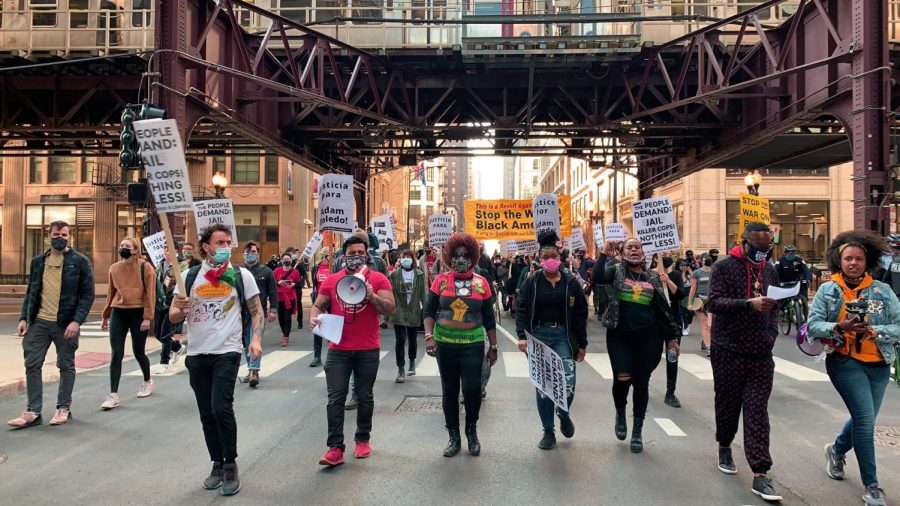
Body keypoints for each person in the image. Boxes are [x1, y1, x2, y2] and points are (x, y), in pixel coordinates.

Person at [807, 231, 900, 506]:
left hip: (879, 364)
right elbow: (813, 325)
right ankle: (872, 485)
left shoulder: (882, 291)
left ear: (866, 261)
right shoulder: (829, 289)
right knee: (866, 421)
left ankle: (836, 450)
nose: (853, 263)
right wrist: (838, 326)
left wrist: (874, 330)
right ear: (839, 260)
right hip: (845, 362)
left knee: (864, 418)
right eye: (848, 258)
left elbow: (897, 326)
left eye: (859, 259)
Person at [169, 224, 263, 496]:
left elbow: (256, 310)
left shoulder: (240, 275)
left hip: (228, 351)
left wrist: (255, 339)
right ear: (206, 247)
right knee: (207, 413)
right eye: (220, 242)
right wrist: (179, 308)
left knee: (221, 408)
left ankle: (231, 463)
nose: (225, 247)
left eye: (228, 242)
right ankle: (217, 463)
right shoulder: (188, 276)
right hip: (197, 353)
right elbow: (174, 316)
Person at [706, 221, 782, 502]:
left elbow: (775, 306)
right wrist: (747, 303)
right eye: (757, 247)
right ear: (744, 242)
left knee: (756, 410)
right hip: (728, 349)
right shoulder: (724, 267)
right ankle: (724, 444)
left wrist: (772, 332)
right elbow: (713, 302)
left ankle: (761, 473)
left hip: (761, 353)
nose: (762, 252)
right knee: (727, 404)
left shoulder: (769, 270)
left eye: (767, 248)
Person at [311, 235, 395, 467]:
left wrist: (372, 296)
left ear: (366, 255)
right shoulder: (333, 280)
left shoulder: (378, 279)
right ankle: (335, 448)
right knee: (335, 397)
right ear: (343, 256)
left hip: (368, 348)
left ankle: (362, 440)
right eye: (351, 254)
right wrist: (314, 318)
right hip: (339, 349)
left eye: (360, 253)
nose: (355, 257)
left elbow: (390, 309)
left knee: (364, 395)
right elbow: (319, 304)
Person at [593, 238, 680, 453]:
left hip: (649, 338)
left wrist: (672, 338)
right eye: (629, 247)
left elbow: (663, 309)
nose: (634, 250)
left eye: (637, 247)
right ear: (622, 253)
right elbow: (597, 278)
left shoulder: (652, 277)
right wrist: (604, 252)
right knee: (622, 378)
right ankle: (620, 411)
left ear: (643, 252)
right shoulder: (615, 271)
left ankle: (637, 431)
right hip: (620, 336)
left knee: (641, 383)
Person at [8, 221, 95, 429]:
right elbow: (31, 291)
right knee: (32, 364)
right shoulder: (38, 261)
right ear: (49, 235)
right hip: (38, 322)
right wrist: (23, 318)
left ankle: (63, 407)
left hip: (65, 323)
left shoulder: (80, 262)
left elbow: (88, 294)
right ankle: (33, 411)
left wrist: (76, 321)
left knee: (65, 365)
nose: (61, 238)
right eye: (57, 234)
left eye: (64, 235)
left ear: (69, 237)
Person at [423, 232, 498, 457]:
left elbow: (488, 317)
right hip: (445, 345)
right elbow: (428, 311)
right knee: (450, 391)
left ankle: (472, 432)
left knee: (472, 390)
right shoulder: (441, 280)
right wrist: (429, 337)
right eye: (456, 255)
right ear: (449, 256)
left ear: (473, 257)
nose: (461, 258)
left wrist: (493, 347)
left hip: (472, 344)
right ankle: (453, 437)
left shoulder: (482, 282)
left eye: (465, 255)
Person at [515, 230, 588, 450]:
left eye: (553, 257)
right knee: (543, 386)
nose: (550, 260)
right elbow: (522, 309)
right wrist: (522, 336)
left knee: (568, 382)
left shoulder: (571, 282)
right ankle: (548, 431)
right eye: (545, 257)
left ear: (560, 257)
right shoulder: (532, 281)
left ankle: (563, 412)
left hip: (563, 337)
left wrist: (582, 343)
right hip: (538, 336)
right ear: (539, 259)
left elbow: (581, 313)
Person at [100, 237, 156, 410]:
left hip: (138, 312)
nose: (123, 248)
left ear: (135, 249)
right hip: (119, 311)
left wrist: (147, 317)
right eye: (122, 245)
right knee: (116, 353)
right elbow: (111, 292)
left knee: (139, 351)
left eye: (127, 246)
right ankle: (113, 394)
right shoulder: (114, 268)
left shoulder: (145, 267)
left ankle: (147, 381)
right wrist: (105, 315)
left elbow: (150, 293)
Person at [239, 241, 278, 387]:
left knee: (255, 339)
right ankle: (250, 368)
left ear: (258, 254)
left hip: (258, 312)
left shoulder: (266, 271)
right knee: (244, 343)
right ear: (243, 254)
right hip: (241, 313)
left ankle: (255, 370)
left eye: (254, 252)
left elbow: (273, 291)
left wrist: (273, 310)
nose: (250, 254)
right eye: (248, 252)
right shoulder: (238, 271)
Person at [389, 249, 427, 383]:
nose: (405, 259)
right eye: (403, 257)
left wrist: (427, 312)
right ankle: (401, 369)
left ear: (413, 259)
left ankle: (412, 360)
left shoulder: (419, 274)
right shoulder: (394, 275)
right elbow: (390, 293)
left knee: (412, 339)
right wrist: (387, 312)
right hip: (399, 311)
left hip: (413, 310)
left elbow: (423, 293)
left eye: (408, 257)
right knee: (399, 341)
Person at [656, 251, 688, 409]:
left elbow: (681, 294)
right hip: (654, 324)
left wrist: (667, 281)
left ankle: (670, 393)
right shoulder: (650, 275)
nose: (666, 255)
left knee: (672, 357)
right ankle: (642, 385)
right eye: (662, 253)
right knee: (651, 358)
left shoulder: (675, 274)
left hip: (673, 323)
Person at [309, 247, 333, 367]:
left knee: (334, 326)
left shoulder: (334, 268)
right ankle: (317, 356)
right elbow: (315, 284)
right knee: (317, 326)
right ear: (323, 255)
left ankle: (334, 356)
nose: (329, 257)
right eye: (327, 255)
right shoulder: (316, 268)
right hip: (320, 298)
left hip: (332, 299)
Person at [688, 255, 714, 356]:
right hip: (700, 302)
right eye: (705, 259)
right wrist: (690, 303)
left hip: (712, 301)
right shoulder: (696, 273)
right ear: (702, 261)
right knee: (705, 325)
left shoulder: (714, 272)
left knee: (711, 325)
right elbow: (693, 288)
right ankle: (709, 347)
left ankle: (704, 341)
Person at [274, 253, 301, 347]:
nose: (286, 260)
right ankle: (284, 332)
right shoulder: (277, 271)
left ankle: (286, 337)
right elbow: (272, 284)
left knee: (287, 317)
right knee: (281, 318)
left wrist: (294, 285)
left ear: (291, 260)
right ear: (281, 260)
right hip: (280, 297)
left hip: (290, 298)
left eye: (288, 259)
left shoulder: (295, 272)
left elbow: (299, 284)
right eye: (284, 259)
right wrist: (278, 282)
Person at [774, 244, 812, 311]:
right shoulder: (780, 260)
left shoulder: (799, 260)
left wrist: (808, 278)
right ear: (785, 252)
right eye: (789, 252)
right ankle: (781, 312)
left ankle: (805, 314)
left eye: (793, 252)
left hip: (797, 281)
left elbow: (806, 270)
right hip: (784, 282)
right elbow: (776, 272)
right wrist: (778, 281)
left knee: (804, 298)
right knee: (782, 300)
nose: (791, 254)